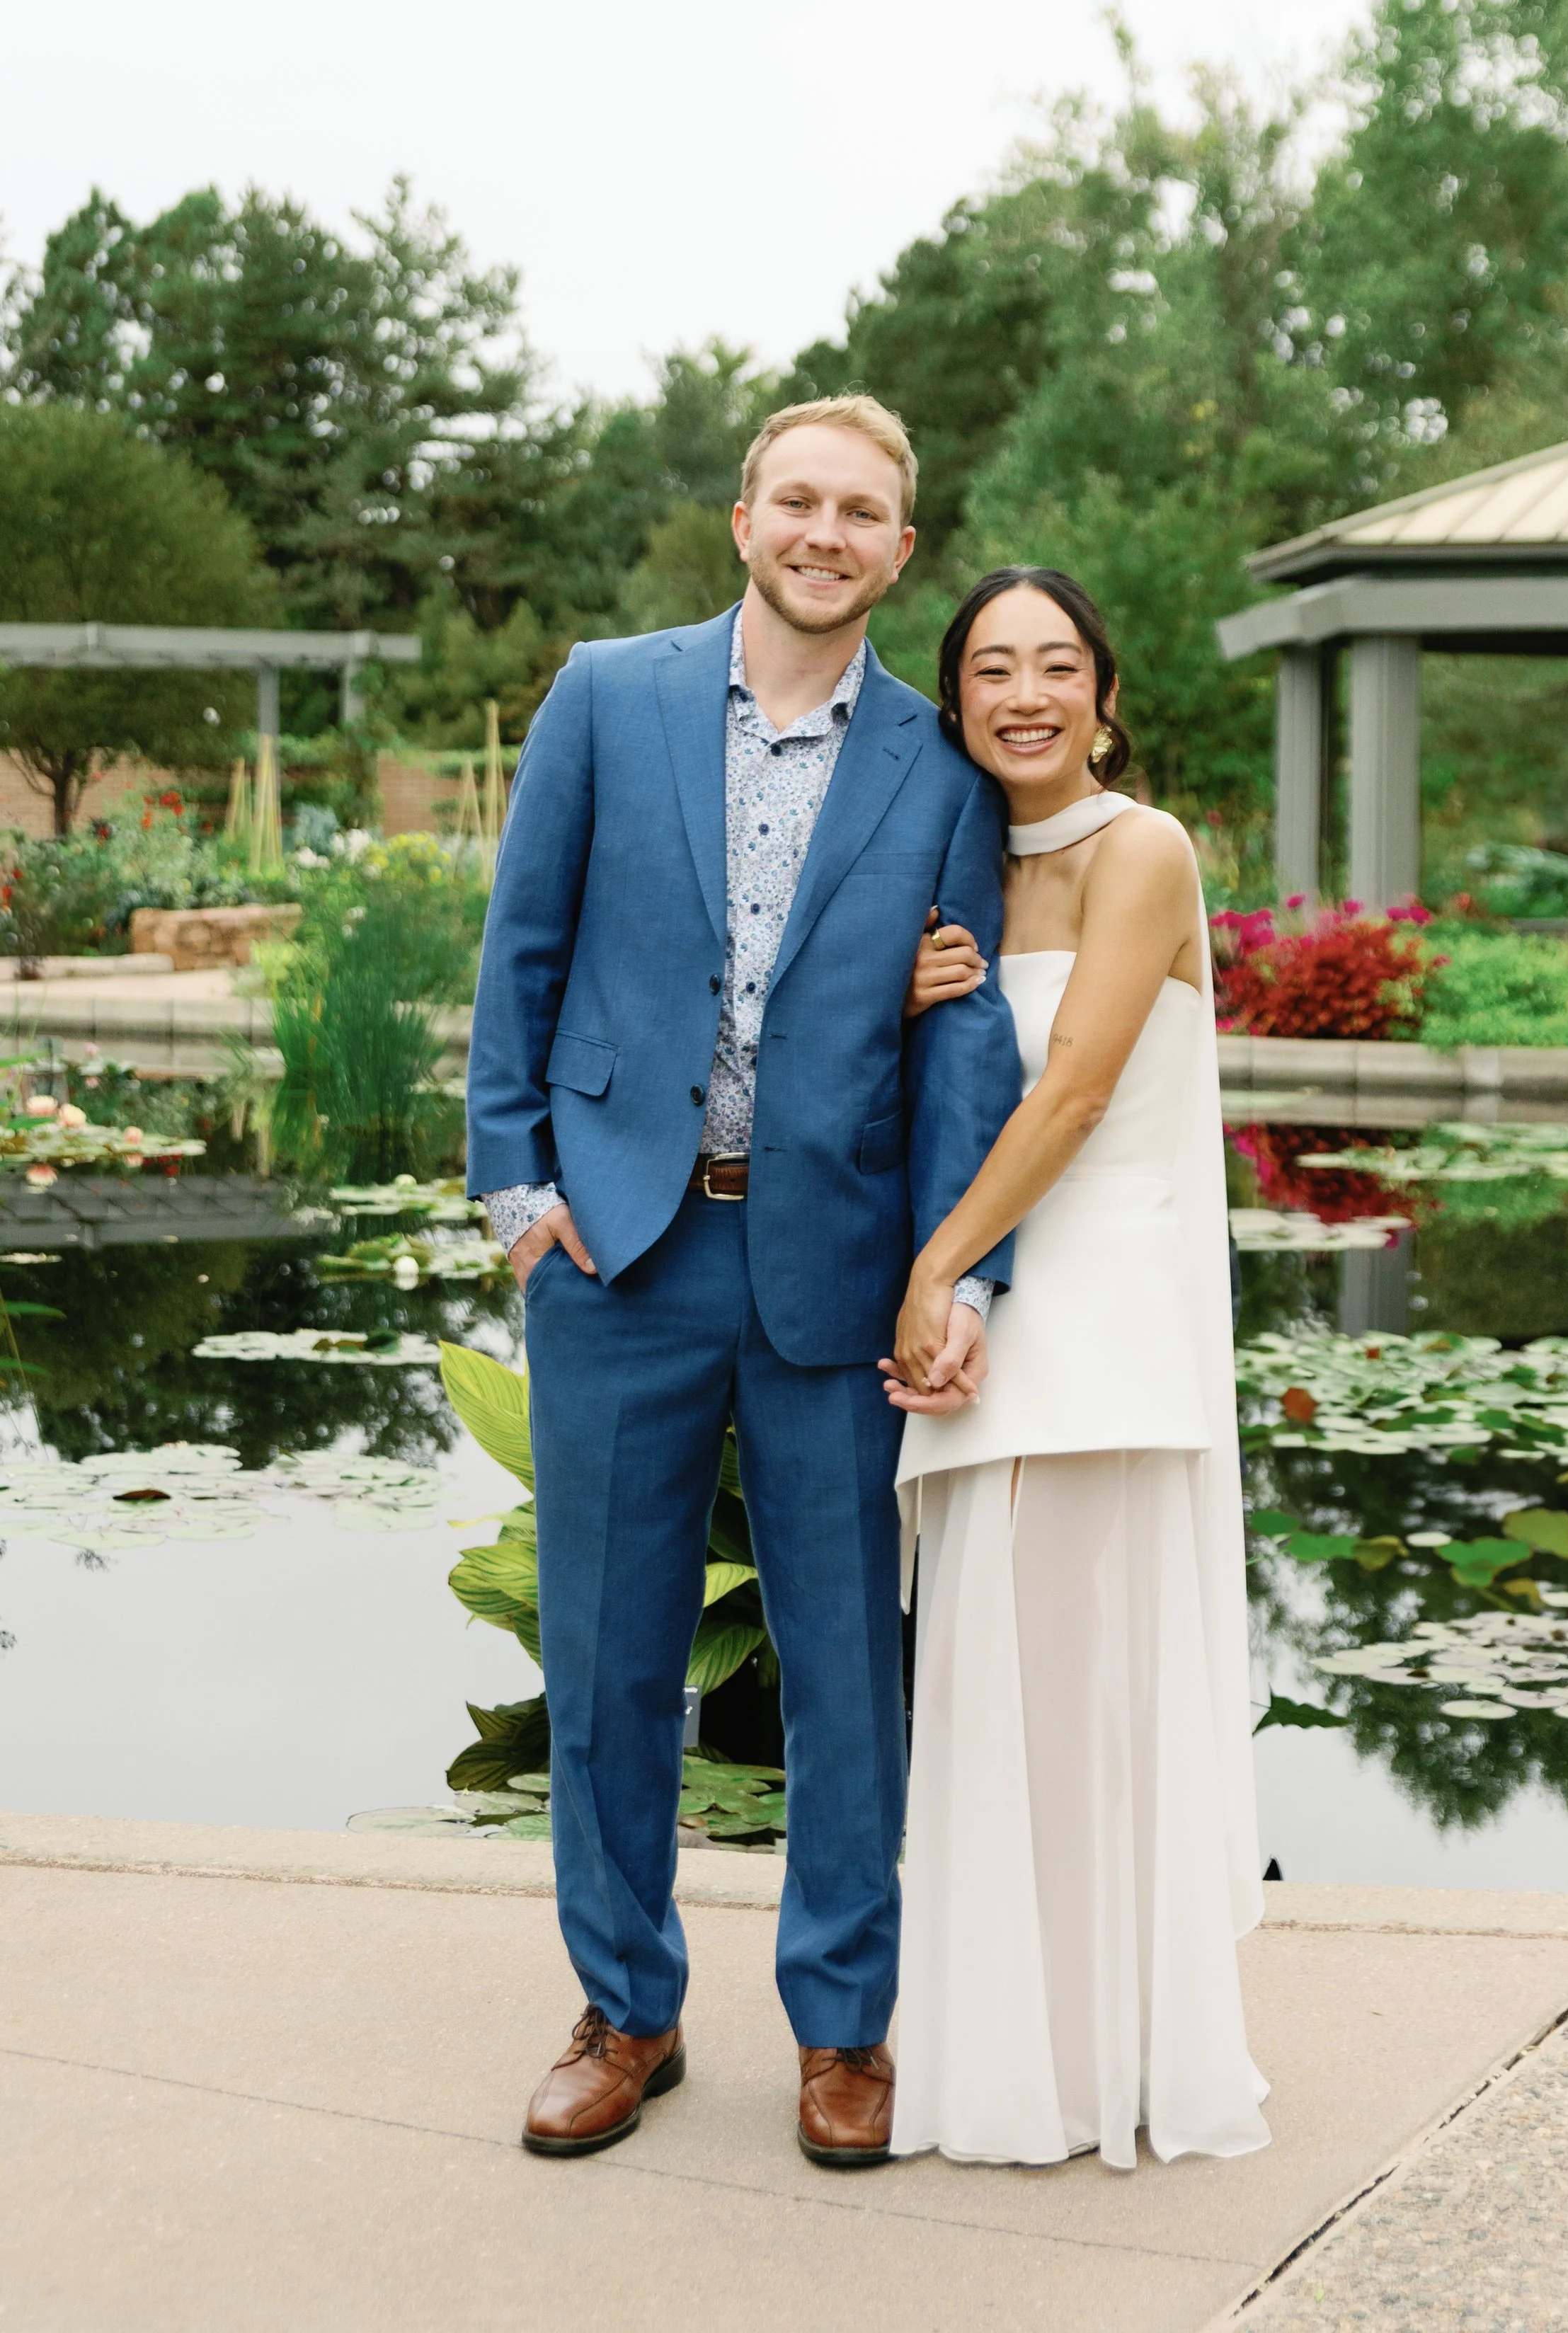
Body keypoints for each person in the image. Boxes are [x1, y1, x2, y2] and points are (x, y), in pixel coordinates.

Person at [467, 397, 1024, 2167]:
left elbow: (958, 1055)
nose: (824, 530)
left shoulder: (942, 772)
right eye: (798, 499)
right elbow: (521, 952)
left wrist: (962, 1274)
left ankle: (842, 2029)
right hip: (617, 1253)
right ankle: (626, 2007)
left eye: (862, 511)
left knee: (848, 1667)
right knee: (611, 1658)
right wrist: (514, 1192)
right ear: (742, 519)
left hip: (837, 1276)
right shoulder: (604, 697)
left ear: (899, 552)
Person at [882, 566, 1271, 2171]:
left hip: (1097, 1316)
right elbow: (947, 1090)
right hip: (994, 1304)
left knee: (1081, 1705)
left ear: (1102, 693)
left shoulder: (1142, 850)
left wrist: (934, 1266)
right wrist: (905, 1006)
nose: (1023, 693)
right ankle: (1009, 2058)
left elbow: (1073, 1102)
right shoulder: (955, 870)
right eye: (989, 667)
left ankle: (1103, 2059)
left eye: (1055, 665)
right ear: (956, 696)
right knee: (994, 1693)